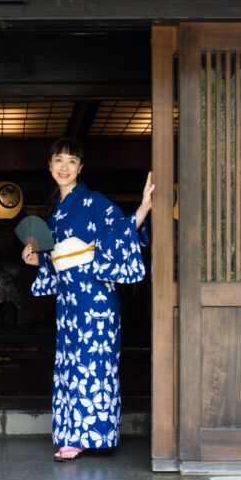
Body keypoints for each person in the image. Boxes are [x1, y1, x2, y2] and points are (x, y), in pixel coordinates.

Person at [22, 137, 153, 462]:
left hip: (95, 298)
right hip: (68, 303)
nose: (64, 167)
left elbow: (120, 231)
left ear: (81, 167)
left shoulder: (93, 201)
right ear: (50, 166)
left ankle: (90, 436)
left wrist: (144, 207)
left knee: (94, 363)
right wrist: (39, 261)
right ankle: (73, 434)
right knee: (70, 364)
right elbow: (58, 259)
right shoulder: (55, 215)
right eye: (58, 161)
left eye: (71, 161)